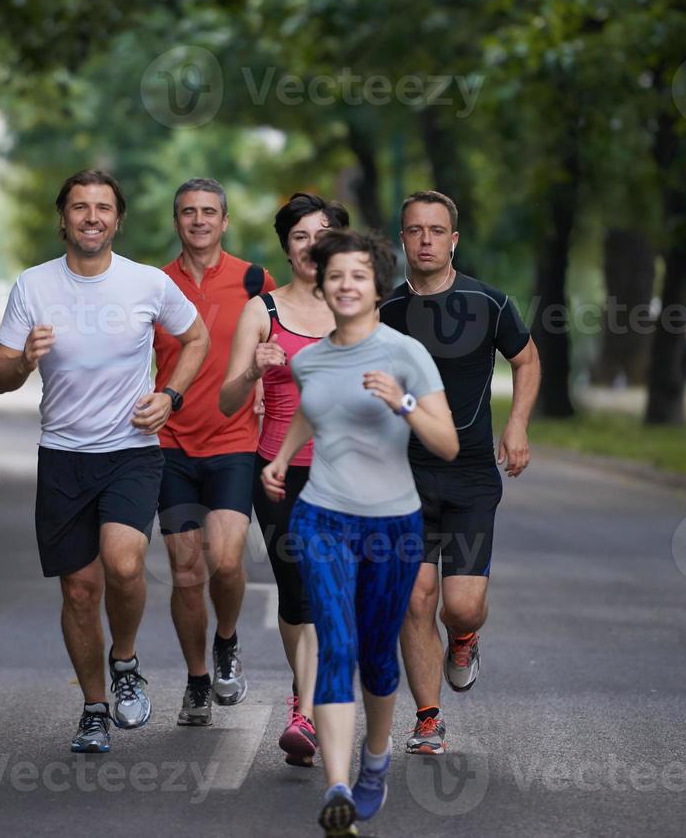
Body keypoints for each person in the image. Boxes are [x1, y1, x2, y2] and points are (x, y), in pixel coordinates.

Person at [0, 168, 209, 754]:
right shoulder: (32, 286)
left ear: (118, 219)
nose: (92, 217)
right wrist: (25, 361)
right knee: (80, 591)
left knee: (125, 562)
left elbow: (197, 339)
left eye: (103, 207)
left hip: (131, 453)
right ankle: (93, 708)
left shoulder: (146, 285)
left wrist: (170, 396)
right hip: (63, 456)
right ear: (62, 218)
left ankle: (126, 659)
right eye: (80, 207)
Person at [261, 230, 458, 837]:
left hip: (393, 526)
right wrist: (280, 457)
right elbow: (312, 413)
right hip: (321, 517)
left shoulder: (406, 355)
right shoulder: (308, 359)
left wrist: (402, 403)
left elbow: (447, 444)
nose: (346, 285)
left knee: (377, 657)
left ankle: (377, 759)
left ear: (377, 287)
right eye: (336, 275)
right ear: (321, 283)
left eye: (359, 276)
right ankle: (338, 787)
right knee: (336, 645)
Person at [380, 190, 540, 756]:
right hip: (403, 480)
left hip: (471, 475)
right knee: (414, 598)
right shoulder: (385, 312)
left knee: (460, 605)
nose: (425, 239)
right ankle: (427, 719)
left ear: (454, 239)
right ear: (402, 239)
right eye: (414, 230)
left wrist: (516, 427)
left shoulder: (489, 302)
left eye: (436, 230)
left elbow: (526, 358)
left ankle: (465, 637)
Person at [219, 192, 349, 767]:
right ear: (287, 247)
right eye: (300, 236)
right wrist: (256, 367)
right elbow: (228, 401)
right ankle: (305, 698)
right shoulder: (262, 311)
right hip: (278, 473)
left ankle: (312, 703)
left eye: (322, 234)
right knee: (297, 597)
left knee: (332, 592)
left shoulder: (358, 303)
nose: (311, 245)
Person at [152, 178, 276, 727]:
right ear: (176, 221)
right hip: (170, 443)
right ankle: (198, 679)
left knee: (225, 560)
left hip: (234, 441)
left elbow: (284, 342)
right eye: (188, 212)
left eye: (208, 212)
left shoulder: (255, 280)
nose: (198, 220)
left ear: (224, 221)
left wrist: (270, 391)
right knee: (184, 573)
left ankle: (227, 639)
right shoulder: (153, 285)